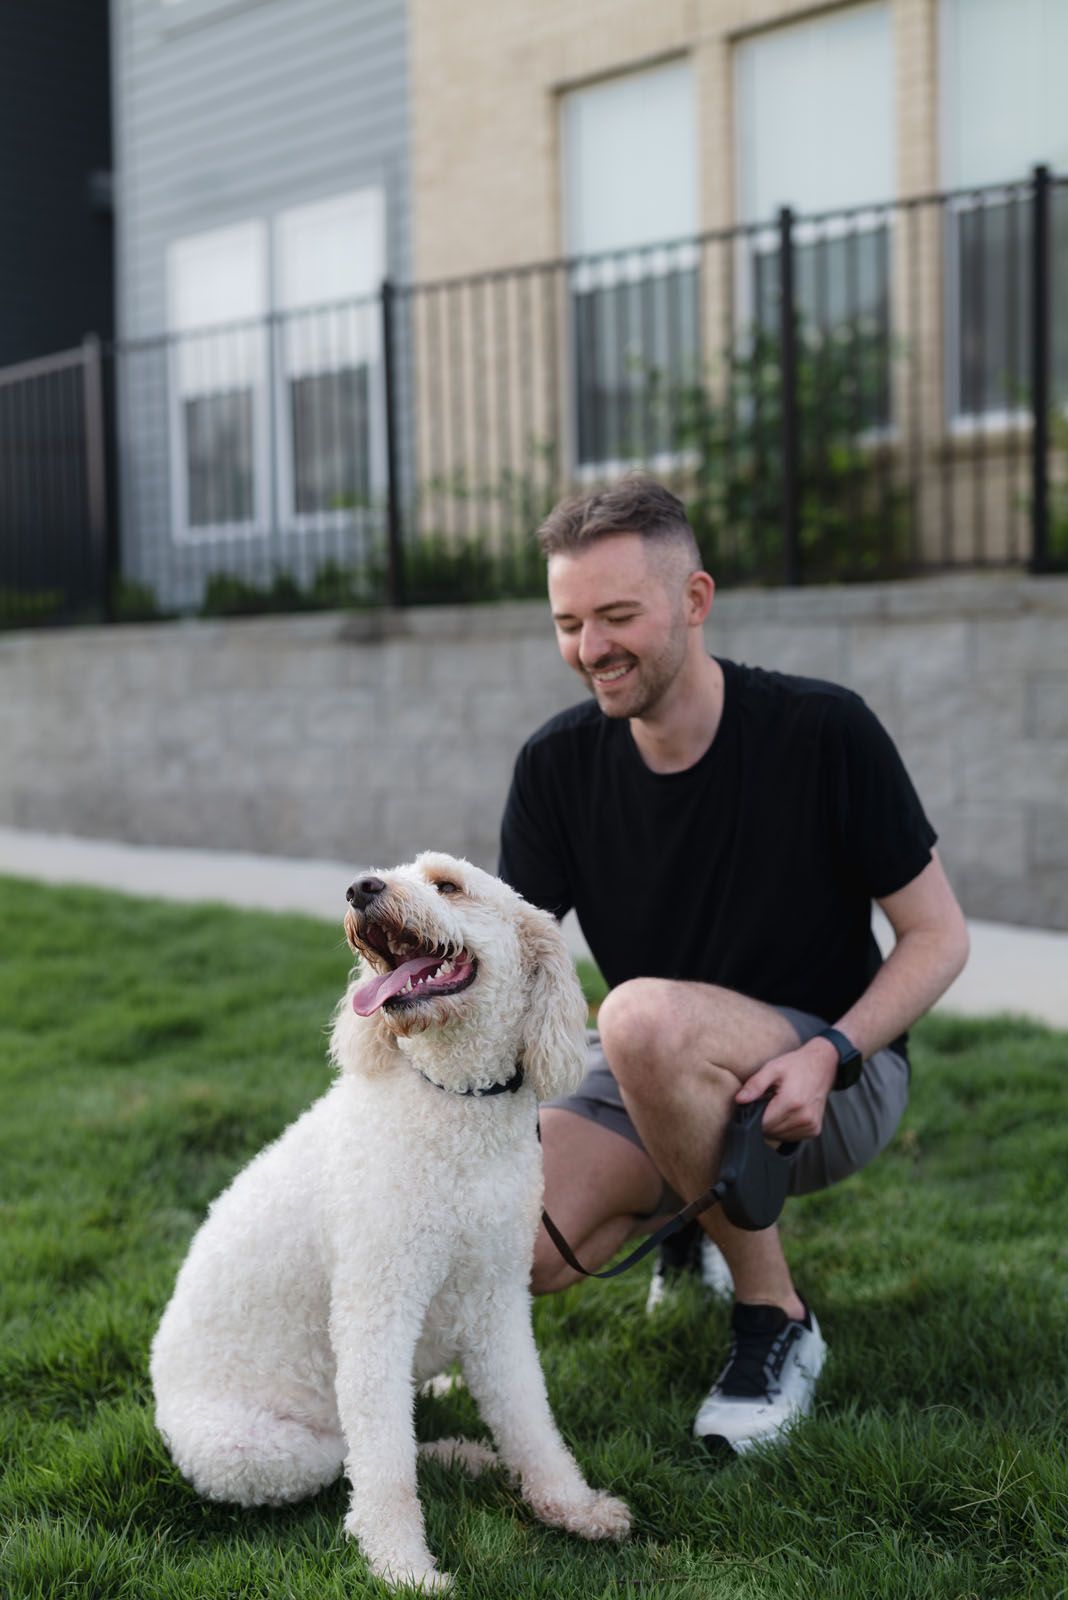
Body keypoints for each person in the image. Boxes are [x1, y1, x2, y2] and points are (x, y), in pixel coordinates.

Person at [498, 475, 970, 1456]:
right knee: (519, 1242)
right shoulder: (554, 767)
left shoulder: (822, 731)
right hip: (647, 1067)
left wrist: (832, 1050)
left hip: (828, 1077)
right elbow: (520, 970)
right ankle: (686, 1217)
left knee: (637, 1019)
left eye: (618, 615)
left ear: (695, 600)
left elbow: (938, 936)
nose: (592, 649)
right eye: (570, 621)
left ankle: (775, 1318)